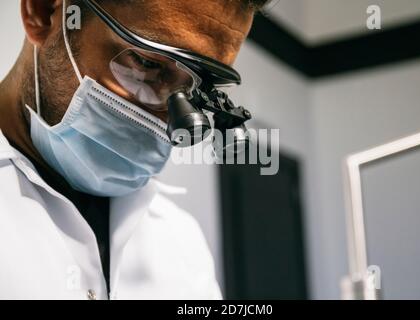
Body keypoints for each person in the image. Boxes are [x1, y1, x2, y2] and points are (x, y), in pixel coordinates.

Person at [0, 0, 268, 300]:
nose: (169, 122)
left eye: (198, 89)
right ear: (44, 12)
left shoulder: (182, 241)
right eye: (147, 64)